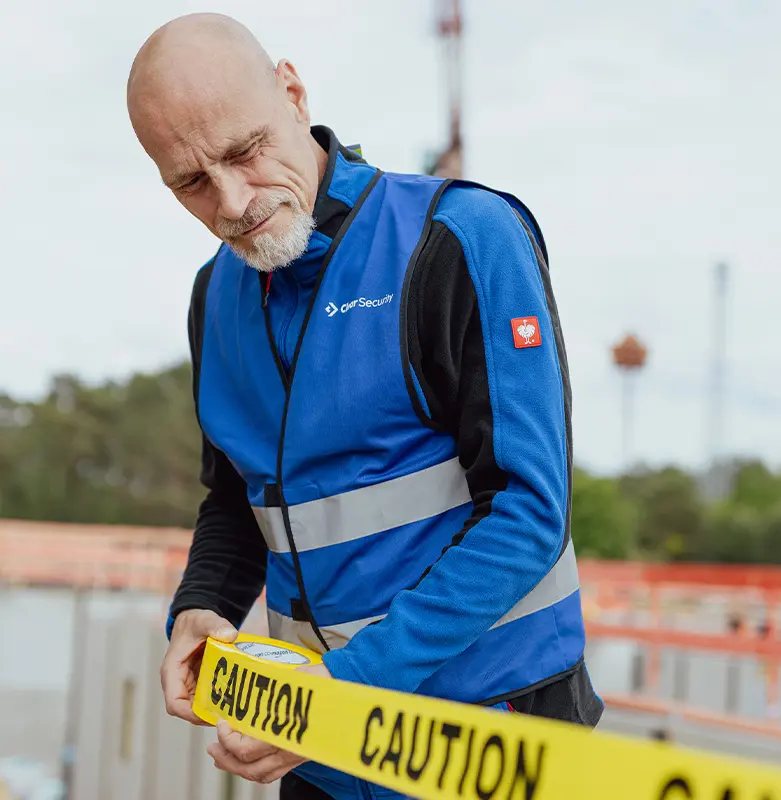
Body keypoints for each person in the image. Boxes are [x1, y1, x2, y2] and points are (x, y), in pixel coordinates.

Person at [126, 12, 603, 799]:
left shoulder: (460, 237)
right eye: (191, 181)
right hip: (324, 753)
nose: (234, 201)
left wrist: (342, 691)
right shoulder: (216, 295)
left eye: (246, 152)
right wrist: (203, 606)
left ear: (292, 91)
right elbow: (239, 497)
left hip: (492, 739)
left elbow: (527, 512)